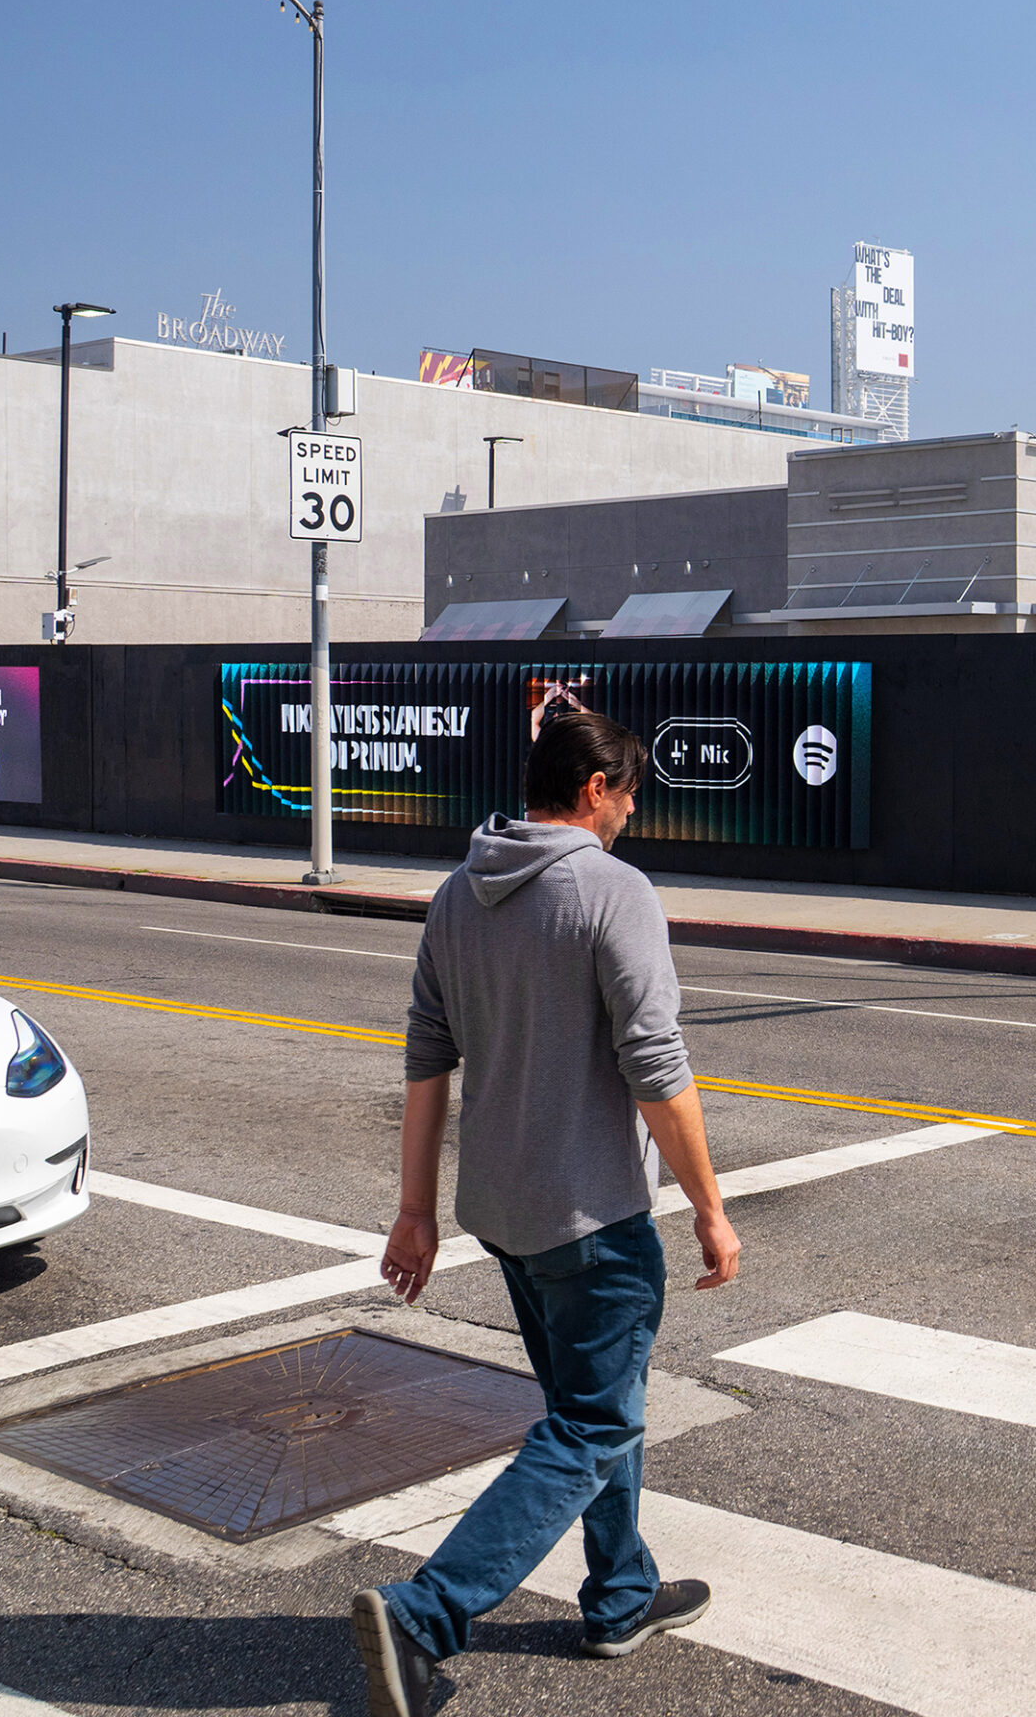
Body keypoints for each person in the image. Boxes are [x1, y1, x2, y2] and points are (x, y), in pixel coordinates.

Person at [351, 703, 741, 1717]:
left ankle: (619, 1597)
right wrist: (709, 1204)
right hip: (595, 1215)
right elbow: (656, 1067)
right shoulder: (613, 892)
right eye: (626, 799)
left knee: (595, 1411)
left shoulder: (457, 891)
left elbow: (427, 1056)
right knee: (593, 1420)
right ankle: (425, 1615)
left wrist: (414, 1211)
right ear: (592, 791)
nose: (628, 819)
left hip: (502, 1214)